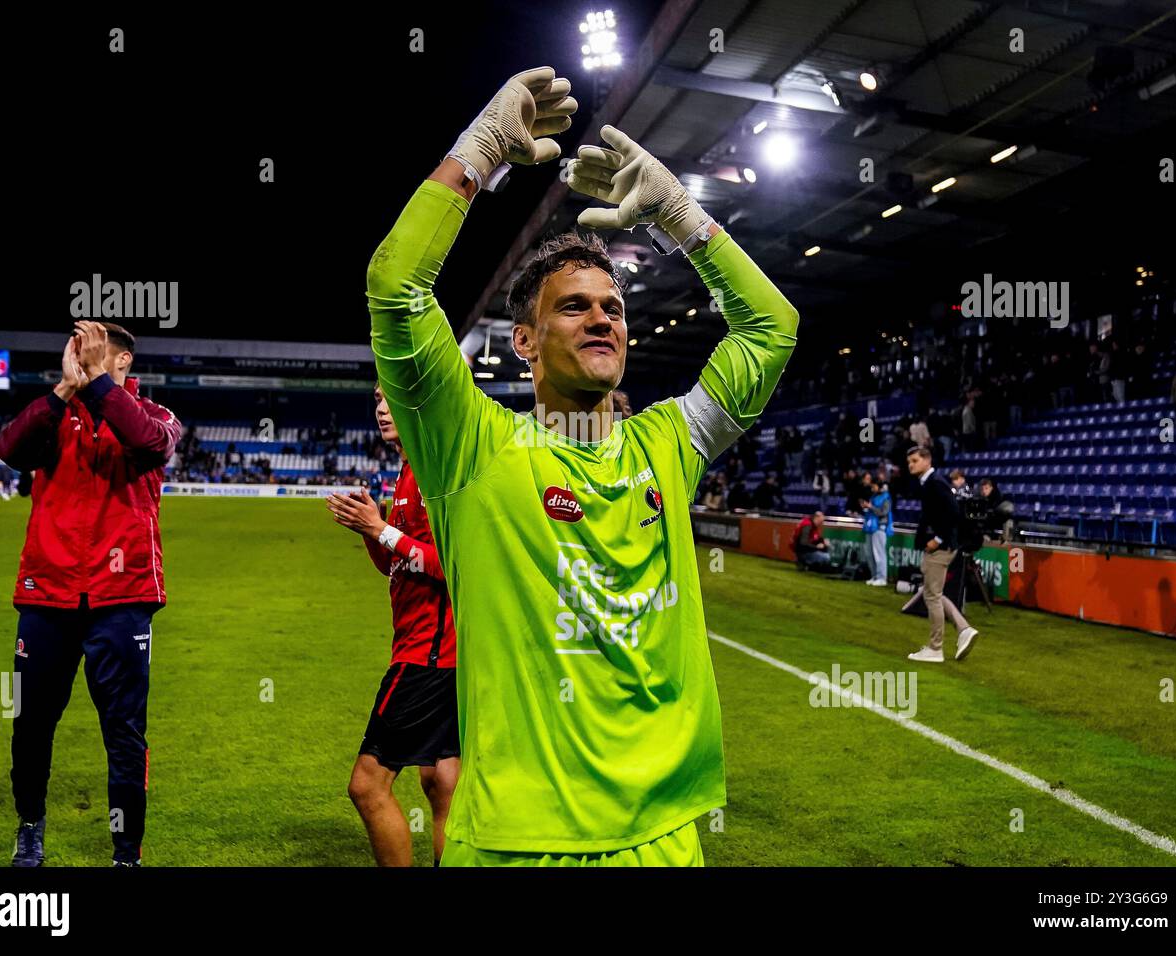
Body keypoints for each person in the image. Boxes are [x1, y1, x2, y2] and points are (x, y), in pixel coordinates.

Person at [368, 68, 799, 867]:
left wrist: (678, 213)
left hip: (664, 842)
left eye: (614, 306)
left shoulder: (667, 442)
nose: (603, 315)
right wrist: (480, 151)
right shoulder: (472, 447)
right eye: (574, 305)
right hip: (513, 844)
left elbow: (771, 329)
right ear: (524, 343)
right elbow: (396, 289)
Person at [0, 321, 180, 866]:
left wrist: (98, 384)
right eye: (75, 352)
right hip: (46, 596)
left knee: (123, 734)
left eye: (91, 352)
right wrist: (62, 391)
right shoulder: (54, 417)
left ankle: (126, 852)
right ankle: (30, 825)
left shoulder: (155, 417)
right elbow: (9, 449)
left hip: (122, 599)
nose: (76, 359)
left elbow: (148, 443)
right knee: (31, 726)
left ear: (122, 361)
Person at [326, 385, 459, 867]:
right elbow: (396, 566)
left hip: (429, 657)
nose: (382, 409)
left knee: (366, 786)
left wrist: (382, 529)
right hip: (434, 652)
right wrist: (372, 529)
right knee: (442, 782)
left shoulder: (437, 470)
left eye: (392, 399)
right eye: (377, 399)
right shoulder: (407, 471)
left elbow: (451, 565)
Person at [905, 447, 979, 663]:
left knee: (932, 596)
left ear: (927, 460)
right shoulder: (930, 483)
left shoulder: (935, 483)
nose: (911, 464)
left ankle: (936, 648)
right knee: (933, 593)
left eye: (915, 460)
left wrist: (937, 539)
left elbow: (953, 513)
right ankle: (964, 629)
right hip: (942, 546)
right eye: (909, 461)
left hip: (941, 547)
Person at [861, 476, 893, 586]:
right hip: (870, 527)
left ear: (878, 486)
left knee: (879, 554)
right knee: (870, 554)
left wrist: (871, 507)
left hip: (880, 527)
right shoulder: (873, 496)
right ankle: (874, 576)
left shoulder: (886, 497)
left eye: (873, 486)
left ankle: (882, 578)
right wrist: (866, 507)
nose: (872, 488)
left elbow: (883, 512)